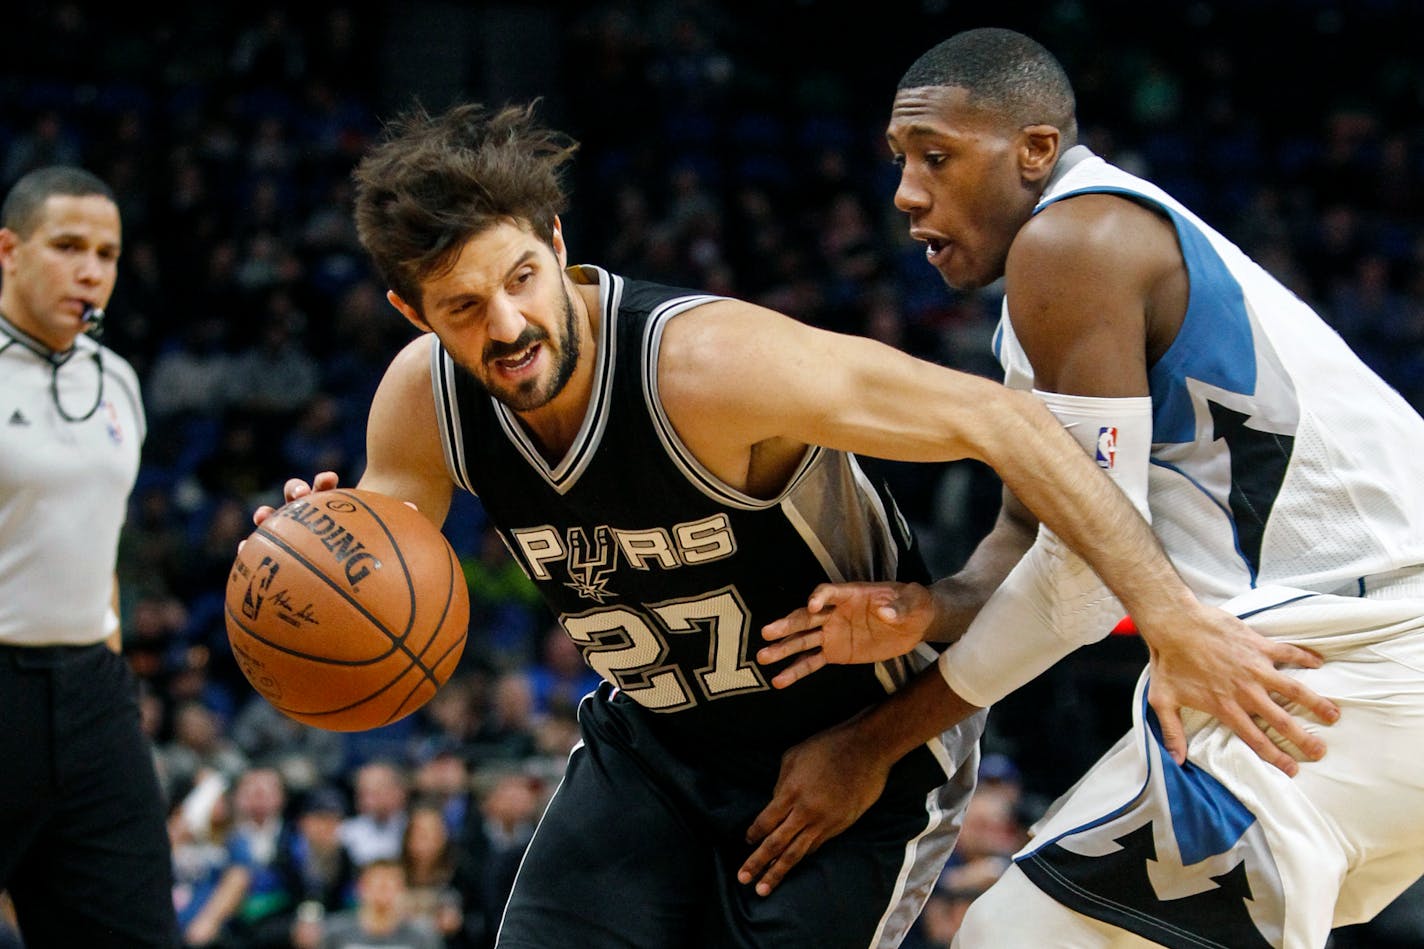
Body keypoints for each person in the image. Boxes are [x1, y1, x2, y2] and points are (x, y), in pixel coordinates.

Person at [252, 101, 1333, 947]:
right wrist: (319, 550)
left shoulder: (708, 366)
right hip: (655, 742)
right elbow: (381, 562)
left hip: (852, 750)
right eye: (461, 308)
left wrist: (1171, 618)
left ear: (553, 236)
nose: (509, 325)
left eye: (521, 279)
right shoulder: (421, 398)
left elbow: (1005, 422)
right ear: (411, 313)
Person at [750, 28, 1424, 949]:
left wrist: (872, 743)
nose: (907, 194)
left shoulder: (1074, 241)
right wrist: (928, 607)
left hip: (1358, 657)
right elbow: (1034, 539)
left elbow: (1081, 582)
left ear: (1035, 150)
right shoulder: (1074, 263)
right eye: (902, 161)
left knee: (1015, 938)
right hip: (1343, 672)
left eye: (937, 157)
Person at [0, 166, 180, 946]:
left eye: (106, 254)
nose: (90, 271)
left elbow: (97, 541)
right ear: (8, 250)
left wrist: (108, 669)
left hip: (92, 693)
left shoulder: (118, 382)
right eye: (67, 246)